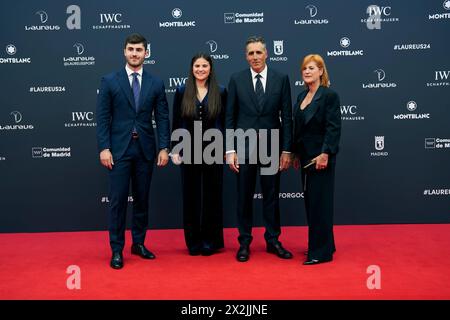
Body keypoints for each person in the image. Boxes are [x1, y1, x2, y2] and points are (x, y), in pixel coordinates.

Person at [96, 33, 170, 269]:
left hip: (145, 150)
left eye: (139, 49)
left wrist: (164, 147)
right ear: (124, 51)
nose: (135, 53)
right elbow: (102, 118)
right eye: (131, 49)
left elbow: (162, 117)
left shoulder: (156, 83)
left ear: (146, 53)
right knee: (117, 201)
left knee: (142, 200)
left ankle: (138, 243)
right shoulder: (109, 81)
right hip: (118, 150)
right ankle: (116, 249)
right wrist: (104, 147)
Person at [225, 36, 293, 262]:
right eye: (250, 53)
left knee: (271, 196)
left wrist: (286, 150)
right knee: (243, 197)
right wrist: (230, 150)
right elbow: (230, 117)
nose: (255, 57)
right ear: (246, 56)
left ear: (267, 54)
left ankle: (273, 240)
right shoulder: (236, 79)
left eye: (258, 52)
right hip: (243, 147)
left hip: (272, 147)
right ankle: (244, 242)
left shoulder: (281, 79)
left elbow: (288, 117)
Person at [171, 53, 227, 256]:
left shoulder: (220, 92)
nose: (201, 69)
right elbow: (176, 121)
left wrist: (226, 149)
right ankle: (193, 241)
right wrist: (175, 148)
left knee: (212, 195)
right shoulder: (181, 91)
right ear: (191, 68)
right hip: (188, 149)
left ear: (210, 68)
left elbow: (224, 122)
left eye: (204, 65)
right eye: (197, 65)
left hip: (214, 149)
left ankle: (210, 241)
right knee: (191, 196)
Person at [292, 54, 341, 265]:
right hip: (305, 157)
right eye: (304, 69)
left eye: (311, 68)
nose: (307, 72)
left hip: (321, 157)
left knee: (320, 203)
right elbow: (298, 128)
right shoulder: (301, 96)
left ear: (321, 71)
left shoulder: (329, 96)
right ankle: (324, 244)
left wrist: (325, 153)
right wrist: (294, 153)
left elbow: (333, 127)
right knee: (311, 203)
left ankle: (320, 253)